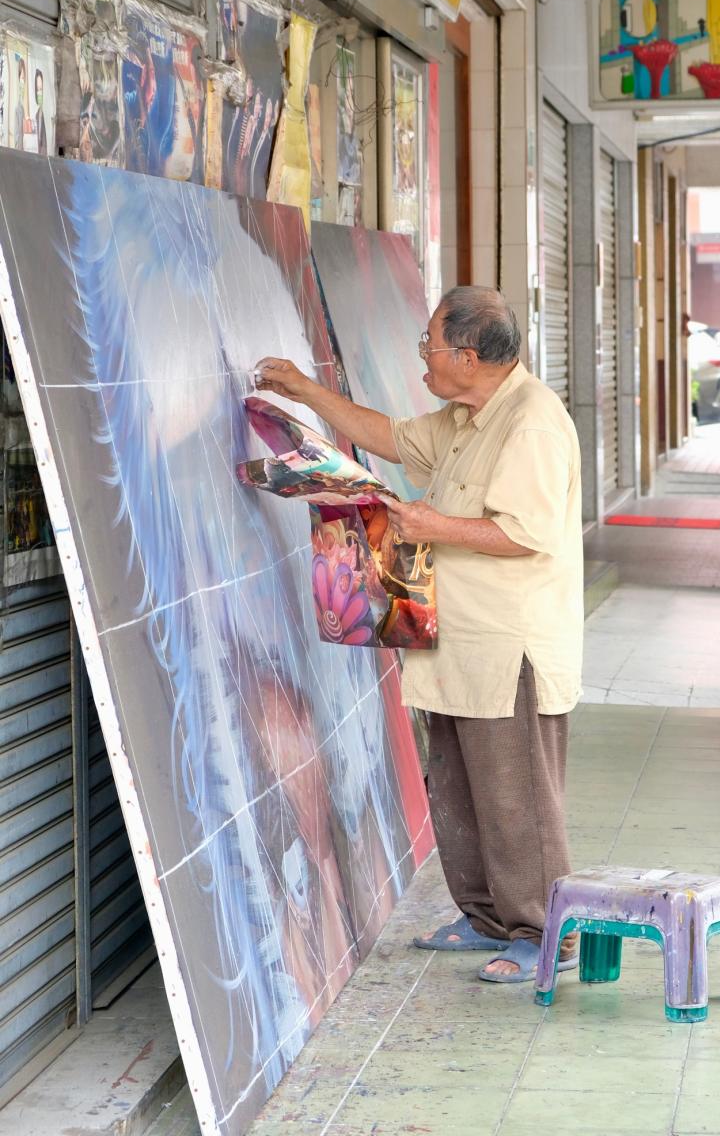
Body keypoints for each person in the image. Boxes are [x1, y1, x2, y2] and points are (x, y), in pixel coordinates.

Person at [256, 285, 584, 984]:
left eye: (430, 347)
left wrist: (430, 525)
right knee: (460, 788)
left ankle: (543, 933)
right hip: (454, 639)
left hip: (508, 647)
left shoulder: (531, 423)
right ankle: (486, 916)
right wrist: (306, 392)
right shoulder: (467, 416)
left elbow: (526, 534)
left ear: (467, 356)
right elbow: (391, 438)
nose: (424, 360)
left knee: (515, 796)